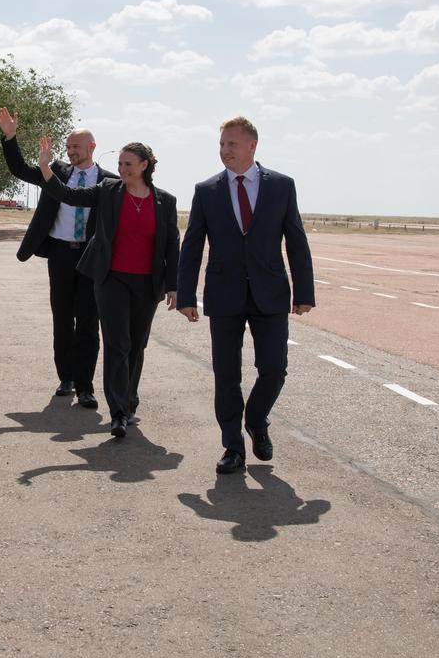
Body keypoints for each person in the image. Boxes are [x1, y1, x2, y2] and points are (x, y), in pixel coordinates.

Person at [176, 116, 315, 475]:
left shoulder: (282, 186)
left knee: (274, 369)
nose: (224, 151)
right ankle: (233, 448)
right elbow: (192, 245)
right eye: (221, 144)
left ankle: (255, 418)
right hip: (223, 295)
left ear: (252, 145)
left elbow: (296, 240)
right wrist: (187, 294)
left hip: (270, 293)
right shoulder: (206, 190)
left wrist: (304, 291)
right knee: (226, 374)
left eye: (231, 145)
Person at [35, 137, 179, 438]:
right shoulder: (108, 191)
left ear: (144, 165)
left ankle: (129, 401)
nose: (122, 169)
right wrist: (45, 167)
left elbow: (170, 245)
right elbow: (68, 194)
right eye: (120, 164)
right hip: (111, 279)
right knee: (118, 345)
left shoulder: (164, 200)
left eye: (128, 164)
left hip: (147, 283)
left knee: (137, 346)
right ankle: (118, 412)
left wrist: (173, 285)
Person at [0, 107, 108, 410]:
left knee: (88, 322)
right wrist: (10, 137)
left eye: (76, 147)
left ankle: (86, 387)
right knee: (62, 318)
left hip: (91, 258)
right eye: (68, 147)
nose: (70, 152)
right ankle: (66, 378)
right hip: (59, 254)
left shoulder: (109, 182)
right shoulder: (55, 172)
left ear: (91, 147)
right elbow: (19, 169)